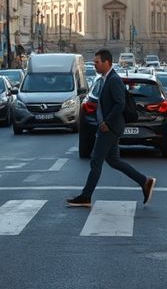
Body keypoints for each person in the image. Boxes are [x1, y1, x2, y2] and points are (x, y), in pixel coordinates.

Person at [67, 48, 156, 208]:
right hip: (110, 127)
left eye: (97, 62)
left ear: (106, 63)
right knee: (114, 161)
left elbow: (119, 104)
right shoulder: (108, 79)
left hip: (110, 128)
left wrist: (107, 122)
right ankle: (145, 181)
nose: (94, 65)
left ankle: (86, 196)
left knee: (96, 161)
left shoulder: (113, 80)